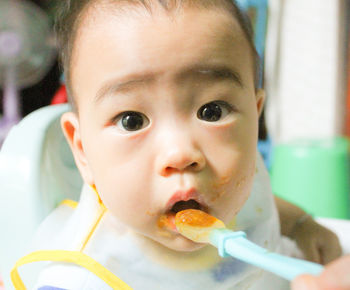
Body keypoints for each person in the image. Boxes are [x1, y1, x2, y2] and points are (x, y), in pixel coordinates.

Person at [11, 0, 341, 289]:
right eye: (132, 121)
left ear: (254, 119)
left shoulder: (231, 177)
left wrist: (301, 224)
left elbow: (258, 198)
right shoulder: (84, 276)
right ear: (82, 150)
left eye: (212, 112)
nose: (181, 153)